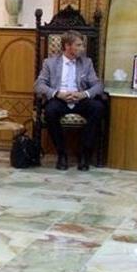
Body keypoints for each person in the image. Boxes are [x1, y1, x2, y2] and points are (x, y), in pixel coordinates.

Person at [34, 30, 104, 171]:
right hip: (60, 99)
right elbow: (38, 85)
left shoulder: (87, 62)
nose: (82, 48)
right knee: (50, 111)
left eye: (82, 45)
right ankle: (62, 154)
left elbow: (98, 85)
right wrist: (57, 94)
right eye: (78, 45)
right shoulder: (50, 63)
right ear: (67, 46)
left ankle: (84, 153)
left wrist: (84, 94)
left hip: (80, 99)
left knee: (98, 107)